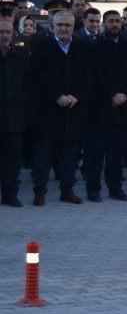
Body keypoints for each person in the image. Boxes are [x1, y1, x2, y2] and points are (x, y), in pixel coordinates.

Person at [31, 11, 94, 206]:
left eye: (67, 25)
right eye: (60, 25)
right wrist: (56, 96)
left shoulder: (83, 47)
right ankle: (40, 191)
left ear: (74, 27)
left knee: (70, 156)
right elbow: (38, 76)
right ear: (53, 26)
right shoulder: (42, 46)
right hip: (49, 110)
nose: (64, 28)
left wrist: (76, 96)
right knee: (44, 155)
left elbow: (88, 76)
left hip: (73, 109)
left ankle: (67, 190)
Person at [84, 10, 127, 202]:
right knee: (95, 153)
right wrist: (111, 94)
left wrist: (123, 95)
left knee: (116, 153)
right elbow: (95, 75)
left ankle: (115, 188)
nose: (115, 25)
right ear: (103, 24)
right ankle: (93, 188)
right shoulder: (95, 46)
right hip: (100, 108)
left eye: (118, 21)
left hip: (122, 108)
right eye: (111, 22)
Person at [0, 18, 31, 207]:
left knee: (12, 161)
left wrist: (22, 101)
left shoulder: (20, 55)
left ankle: (10, 195)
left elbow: (29, 82)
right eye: (1, 32)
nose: (4, 36)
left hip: (14, 117)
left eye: (7, 32)